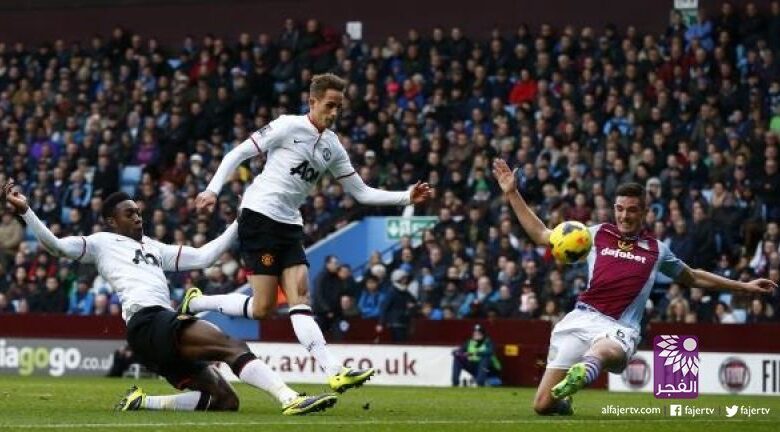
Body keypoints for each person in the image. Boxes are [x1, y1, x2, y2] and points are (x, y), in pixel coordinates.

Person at [184, 73, 433, 392]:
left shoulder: (333, 146)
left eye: (339, 107)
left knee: (299, 299)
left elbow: (361, 192)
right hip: (259, 217)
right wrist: (212, 190)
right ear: (312, 102)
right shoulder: (287, 126)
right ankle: (198, 302)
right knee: (263, 308)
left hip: (290, 224)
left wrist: (405, 197)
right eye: (329, 105)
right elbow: (238, 154)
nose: (334, 113)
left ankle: (334, 371)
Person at [2, 183, 336, 415]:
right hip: (148, 321)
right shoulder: (101, 242)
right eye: (129, 213)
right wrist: (27, 211)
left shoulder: (155, 248)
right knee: (231, 345)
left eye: (138, 212)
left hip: (153, 334)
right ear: (111, 221)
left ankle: (142, 402)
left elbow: (205, 256)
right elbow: (57, 247)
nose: (138, 217)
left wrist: (240, 221)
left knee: (224, 400)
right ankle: (289, 398)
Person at [491, 159, 776, 416]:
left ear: (644, 213)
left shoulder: (657, 250)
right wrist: (512, 193)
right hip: (582, 318)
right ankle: (565, 400)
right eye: (619, 209)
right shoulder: (595, 234)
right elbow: (542, 235)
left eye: (631, 210)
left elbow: (692, 277)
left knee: (603, 351)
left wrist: (744, 286)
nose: (624, 216)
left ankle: (586, 370)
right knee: (542, 405)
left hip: (619, 327)